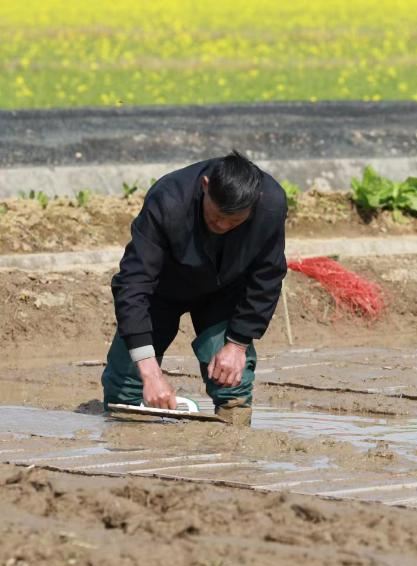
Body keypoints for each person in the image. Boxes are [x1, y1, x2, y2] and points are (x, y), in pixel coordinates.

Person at [101, 150, 288, 426]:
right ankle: (124, 431)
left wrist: (238, 344)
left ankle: (232, 437)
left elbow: (268, 275)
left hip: (224, 290)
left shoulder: (270, 205)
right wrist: (150, 373)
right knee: (125, 388)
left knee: (232, 381)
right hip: (161, 290)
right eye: (216, 217)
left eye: (234, 222)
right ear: (205, 186)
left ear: (255, 202)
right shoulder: (168, 200)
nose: (223, 226)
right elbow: (133, 282)